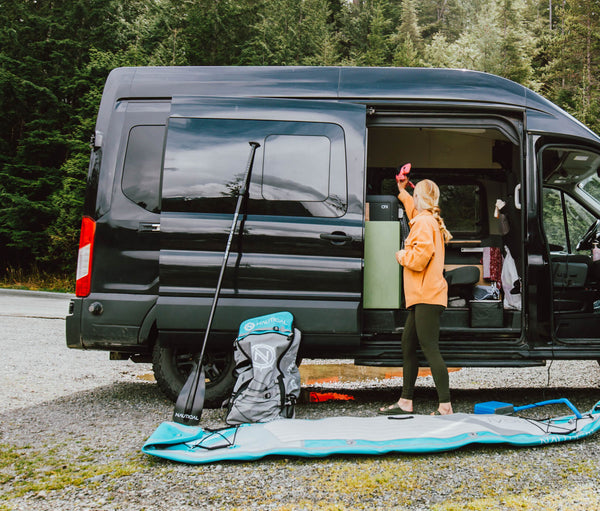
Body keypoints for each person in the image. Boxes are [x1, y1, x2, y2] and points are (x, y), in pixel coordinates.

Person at [379, 177, 454, 416]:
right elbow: (414, 212)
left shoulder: (423, 223)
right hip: (425, 295)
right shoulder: (427, 220)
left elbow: (419, 260)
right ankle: (405, 401)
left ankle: (445, 406)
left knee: (429, 348)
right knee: (408, 344)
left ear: (422, 199)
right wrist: (403, 191)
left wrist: (401, 255)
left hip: (426, 296)